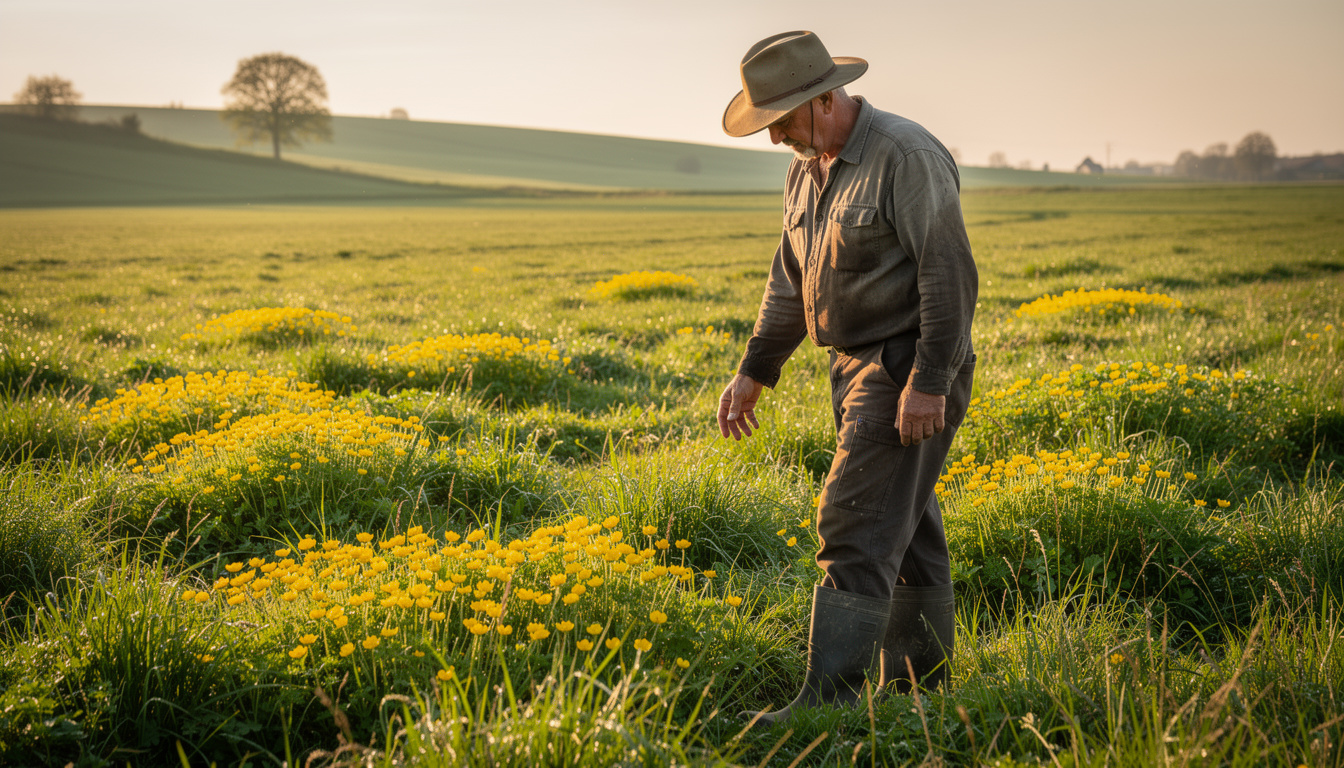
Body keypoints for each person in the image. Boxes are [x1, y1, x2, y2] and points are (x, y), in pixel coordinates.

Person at [716, 31, 978, 725]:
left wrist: (929, 382)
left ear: (826, 97)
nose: (775, 139)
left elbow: (947, 273)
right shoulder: (807, 167)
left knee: (853, 522)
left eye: (782, 121)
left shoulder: (906, 155)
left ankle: (825, 706)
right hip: (851, 367)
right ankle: (918, 692)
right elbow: (790, 280)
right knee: (906, 525)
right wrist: (754, 371)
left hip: (904, 364)